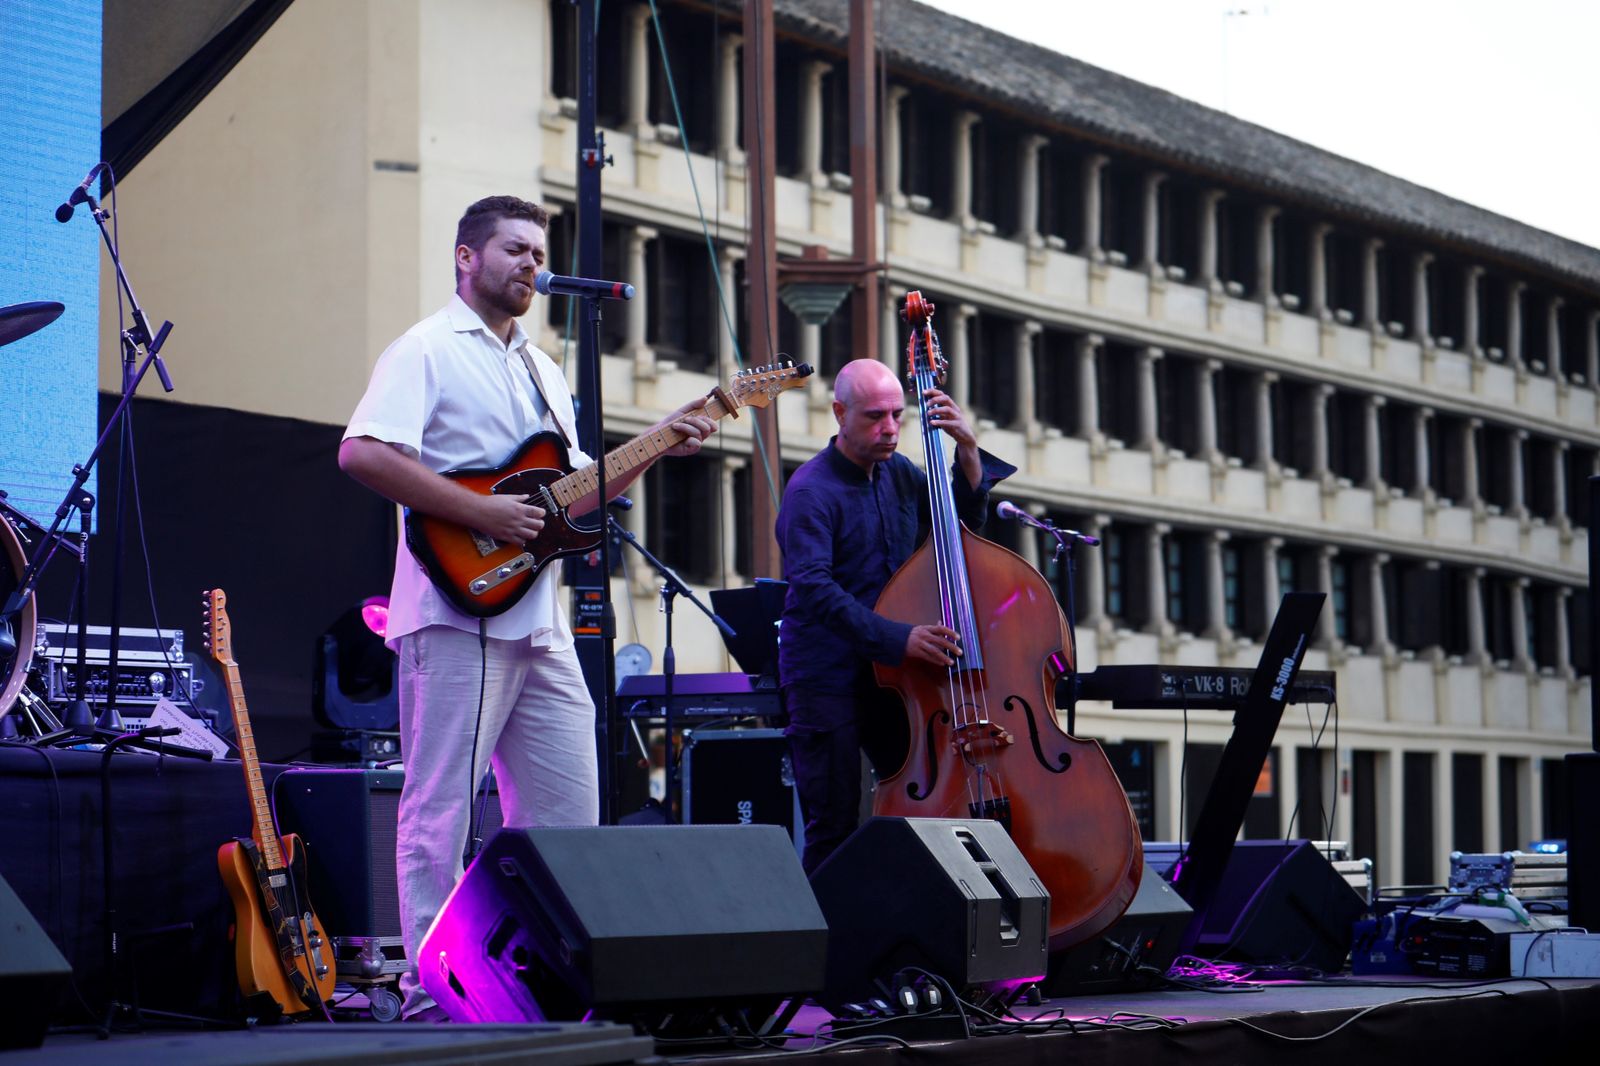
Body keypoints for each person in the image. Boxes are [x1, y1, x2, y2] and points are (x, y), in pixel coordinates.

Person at [338, 195, 715, 1022]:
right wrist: (479, 514)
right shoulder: (426, 349)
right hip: (456, 611)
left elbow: (578, 489)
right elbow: (361, 451)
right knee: (439, 808)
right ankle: (427, 992)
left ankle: (544, 980)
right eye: (515, 250)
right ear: (466, 258)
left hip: (536, 619)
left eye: (539, 254)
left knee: (569, 813)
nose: (532, 267)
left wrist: (661, 440)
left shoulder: (544, 370)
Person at [775, 357, 1015, 874]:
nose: (889, 429)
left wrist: (967, 451)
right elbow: (814, 588)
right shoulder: (810, 490)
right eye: (874, 417)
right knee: (833, 823)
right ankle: (828, 951)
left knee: (924, 809)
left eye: (897, 416)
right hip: (828, 674)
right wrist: (899, 638)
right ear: (839, 413)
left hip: (896, 673)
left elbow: (957, 538)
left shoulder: (900, 473)